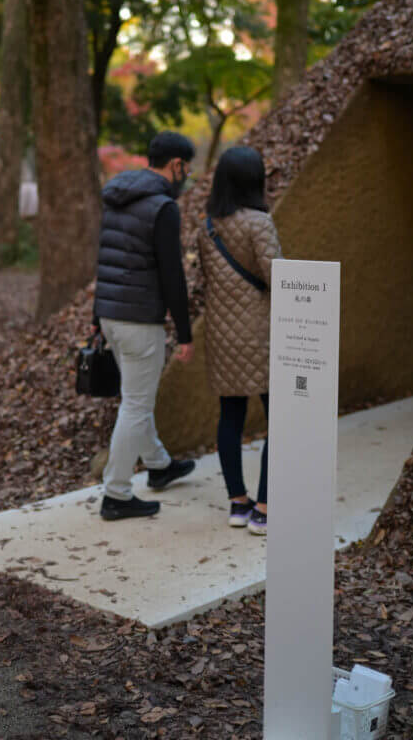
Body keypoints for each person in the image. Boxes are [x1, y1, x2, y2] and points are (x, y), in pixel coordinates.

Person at [94, 131, 197, 521]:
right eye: (187, 167)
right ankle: (117, 494)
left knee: (136, 396)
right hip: (139, 321)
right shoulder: (163, 207)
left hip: (111, 316)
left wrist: (96, 318)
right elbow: (173, 276)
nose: (187, 174)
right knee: (137, 402)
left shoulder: (117, 196)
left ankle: (158, 464)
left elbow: (105, 258)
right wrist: (185, 334)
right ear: (176, 165)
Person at [197, 146, 282, 535]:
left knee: (230, 416)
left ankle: (237, 503)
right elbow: (277, 278)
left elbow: (208, 283)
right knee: (279, 418)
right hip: (259, 333)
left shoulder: (207, 226)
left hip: (221, 334)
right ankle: (263, 509)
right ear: (255, 180)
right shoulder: (259, 224)